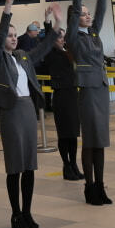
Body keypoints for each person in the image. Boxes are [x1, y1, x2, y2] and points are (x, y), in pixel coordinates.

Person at [0, 0, 59, 228]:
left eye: (15, 34)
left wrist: (50, 22)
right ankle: (15, 214)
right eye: (9, 35)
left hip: (28, 110)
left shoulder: (21, 56)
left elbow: (44, 47)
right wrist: (8, 6)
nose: (13, 38)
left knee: (29, 164)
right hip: (11, 112)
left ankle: (28, 212)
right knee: (15, 166)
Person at [68, 0, 113, 204]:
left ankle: (101, 186)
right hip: (86, 91)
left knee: (101, 141)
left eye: (87, 13)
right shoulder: (74, 37)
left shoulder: (94, 34)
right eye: (83, 14)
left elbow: (102, 9)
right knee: (90, 140)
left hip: (101, 90)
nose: (86, 16)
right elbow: (75, 14)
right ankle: (89, 186)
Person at [41, 18, 81, 180]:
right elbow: (48, 38)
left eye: (63, 36)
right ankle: (66, 165)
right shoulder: (51, 53)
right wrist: (48, 22)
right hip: (61, 96)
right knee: (64, 134)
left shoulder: (68, 52)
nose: (62, 39)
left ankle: (74, 164)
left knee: (73, 134)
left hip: (72, 95)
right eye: (59, 37)